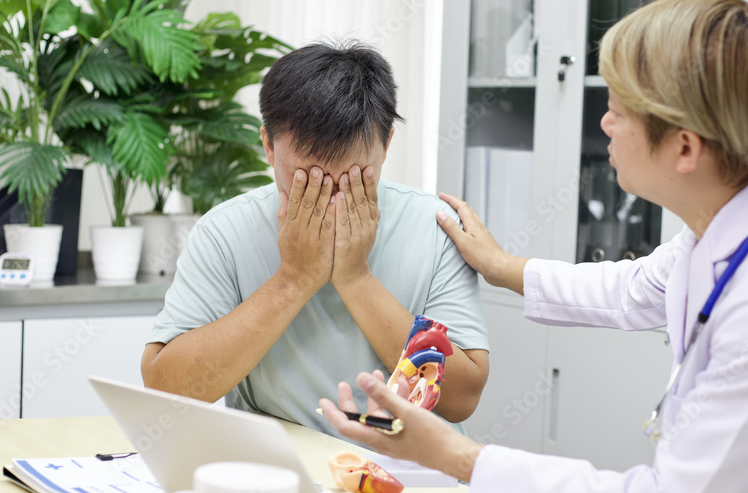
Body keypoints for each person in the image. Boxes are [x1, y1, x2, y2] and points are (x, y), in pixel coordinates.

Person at [319, 0, 748, 493]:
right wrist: (502, 266)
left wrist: (453, 455)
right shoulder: (746, 204)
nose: (603, 121)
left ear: (685, 147)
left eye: (619, 109)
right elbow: (635, 289)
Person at [141, 42, 490, 437]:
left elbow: (462, 400)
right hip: (280, 469)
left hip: (410, 475)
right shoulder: (224, 231)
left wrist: (356, 279)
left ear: (387, 145)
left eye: (355, 177)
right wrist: (294, 278)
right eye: (307, 179)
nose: (331, 198)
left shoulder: (436, 228)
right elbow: (166, 389)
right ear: (269, 147)